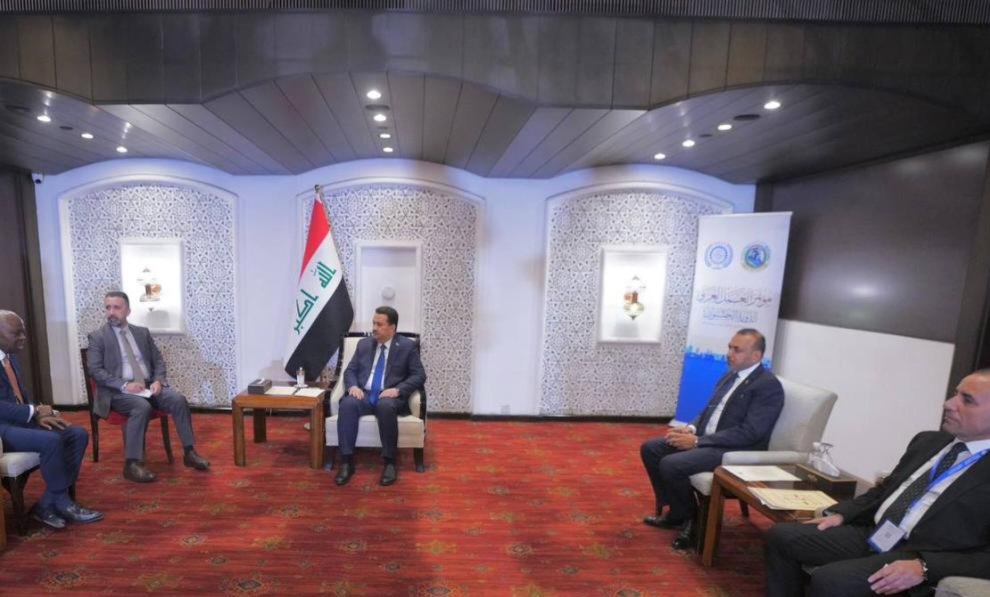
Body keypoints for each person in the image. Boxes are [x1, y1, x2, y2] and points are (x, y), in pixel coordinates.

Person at [764, 369, 990, 597]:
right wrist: (842, 514)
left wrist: (925, 566)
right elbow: (884, 490)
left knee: (832, 580)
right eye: (955, 394)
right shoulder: (928, 441)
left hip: (919, 552)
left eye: (967, 400)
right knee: (781, 537)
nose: (948, 404)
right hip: (878, 532)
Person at [640, 328, 784, 549]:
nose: (729, 353)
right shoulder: (730, 375)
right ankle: (678, 512)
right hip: (709, 439)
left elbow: (751, 432)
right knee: (651, 449)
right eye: (729, 347)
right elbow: (708, 410)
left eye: (737, 350)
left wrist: (698, 442)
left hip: (735, 449)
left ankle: (694, 522)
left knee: (672, 464)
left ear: (756, 356)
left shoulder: (767, 386)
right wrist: (690, 428)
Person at [86, 291, 209, 483]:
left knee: (178, 400)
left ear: (128, 310)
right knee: (141, 406)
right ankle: (132, 464)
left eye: (116, 307)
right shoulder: (97, 337)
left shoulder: (141, 333)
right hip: (117, 392)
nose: (111, 312)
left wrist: (158, 380)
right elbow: (95, 371)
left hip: (147, 386)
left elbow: (158, 360)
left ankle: (189, 452)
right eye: (108, 308)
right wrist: (125, 385)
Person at [0, 310, 103, 529]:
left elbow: (19, 396)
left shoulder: (10, 357)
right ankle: (63, 502)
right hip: (3, 430)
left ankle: (47, 502)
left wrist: (39, 413)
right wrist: (34, 411)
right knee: (51, 441)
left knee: (77, 434)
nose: (23, 337)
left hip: (21, 422)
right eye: (16, 333)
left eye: (23, 332)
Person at [335, 306, 425, 487]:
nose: (374, 328)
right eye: (373, 323)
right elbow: (350, 370)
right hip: (365, 394)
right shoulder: (364, 344)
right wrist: (353, 386)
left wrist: (398, 390)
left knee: (385, 406)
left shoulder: (406, 346)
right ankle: (346, 462)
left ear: (393, 328)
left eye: (380, 324)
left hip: (389, 396)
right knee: (347, 404)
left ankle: (390, 463)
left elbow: (419, 375)